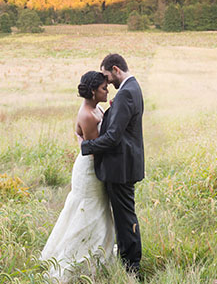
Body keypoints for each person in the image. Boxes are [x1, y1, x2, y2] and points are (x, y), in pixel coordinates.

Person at [40, 71, 115, 282]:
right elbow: (95, 149)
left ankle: (99, 252)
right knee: (89, 209)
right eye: (103, 88)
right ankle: (79, 258)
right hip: (90, 169)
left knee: (98, 210)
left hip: (92, 166)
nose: (106, 90)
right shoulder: (88, 115)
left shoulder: (96, 108)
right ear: (93, 91)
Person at [81, 53, 144, 277]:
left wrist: (85, 147)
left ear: (116, 69)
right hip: (124, 164)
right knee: (125, 216)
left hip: (121, 167)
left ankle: (131, 268)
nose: (106, 82)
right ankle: (129, 262)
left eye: (107, 76)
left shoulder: (126, 93)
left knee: (125, 219)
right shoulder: (132, 88)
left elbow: (114, 137)